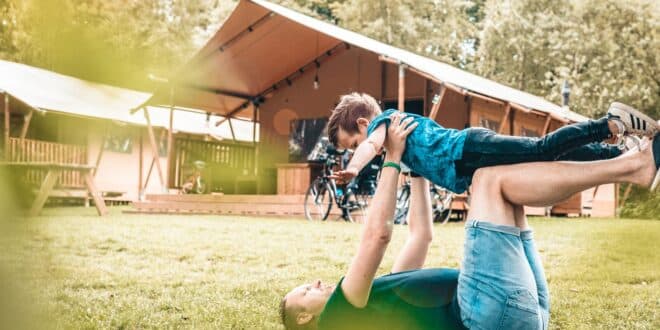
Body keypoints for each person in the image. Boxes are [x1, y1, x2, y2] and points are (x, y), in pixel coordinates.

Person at [280, 112, 660, 330]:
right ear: (304, 320)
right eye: (304, 291)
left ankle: (631, 164)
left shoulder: (376, 305)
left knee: (505, 190)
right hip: (484, 314)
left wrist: (414, 169)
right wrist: (392, 158)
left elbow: (421, 237)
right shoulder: (337, 320)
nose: (314, 282)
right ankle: (631, 165)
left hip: (517, 313)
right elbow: (377, 236)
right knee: (487, 180)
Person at [327, 93, 660, 193]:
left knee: (543, 149)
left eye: (352, 143)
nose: (359, 147)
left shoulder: (385, 123)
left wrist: (354, 168)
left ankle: (610, 124)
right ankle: (615, 153)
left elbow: (371, 145)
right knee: (546, 160)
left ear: (363, 124)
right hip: (470, 160)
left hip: (469, 150)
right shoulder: (397, 140)